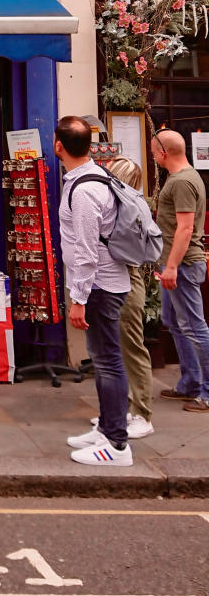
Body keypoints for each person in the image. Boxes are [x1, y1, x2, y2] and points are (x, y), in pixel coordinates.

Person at [54, 115, 133, 466]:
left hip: (99, 286)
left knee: (109, 362)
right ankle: (106, 428)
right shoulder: (96, 177)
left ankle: (116, 444)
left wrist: (77, 300)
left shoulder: (85, 190)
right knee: (104, 361)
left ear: (59, 146)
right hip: (104, 284)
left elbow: (86, 252)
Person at [88, 157, 153, 438]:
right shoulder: (124, 207)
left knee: (131, 349)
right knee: (116, 351)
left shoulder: (129, 210)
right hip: (119, 283)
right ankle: (121, 411)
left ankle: (142, 413)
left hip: (127, 283)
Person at [151, 129, 209, 413]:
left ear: (163, 152)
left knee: (194, 328)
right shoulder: (181, 178)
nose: (152, 155)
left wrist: (171, 266)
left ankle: (206, 392)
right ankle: (190, 383)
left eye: (153, 150)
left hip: (183, 265)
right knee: (173, 322)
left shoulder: (183, 181)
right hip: (173, 265)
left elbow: (185, 229)